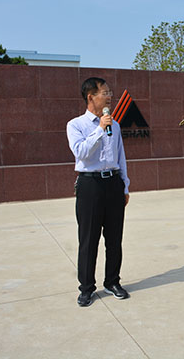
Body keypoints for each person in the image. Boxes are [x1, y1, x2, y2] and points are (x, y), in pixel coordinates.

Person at [66, 77, 131, 306]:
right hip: (90, 185)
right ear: (91, 96)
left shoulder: (116, 125)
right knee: (88, 239)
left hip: (113, 184)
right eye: (105, 92)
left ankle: (112, 282)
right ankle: (86, 288)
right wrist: (100, 129)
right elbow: (81, 153)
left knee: (114, 238)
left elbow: (121, 158)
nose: (110, 96)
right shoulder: (76, 125)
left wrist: (124, 186)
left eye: (110, 92)